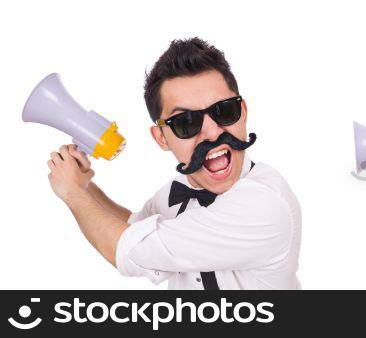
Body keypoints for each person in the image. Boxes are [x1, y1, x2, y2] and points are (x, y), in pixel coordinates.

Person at [44, 37, 302, 289]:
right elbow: (133, 229)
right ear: (161, 138)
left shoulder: (263, 205)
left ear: (243, 112)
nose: (212, 132)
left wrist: (73, 193)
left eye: (224, 111)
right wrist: (87, 187)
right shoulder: (174, 193)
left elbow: (129, 250)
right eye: (186, 122)